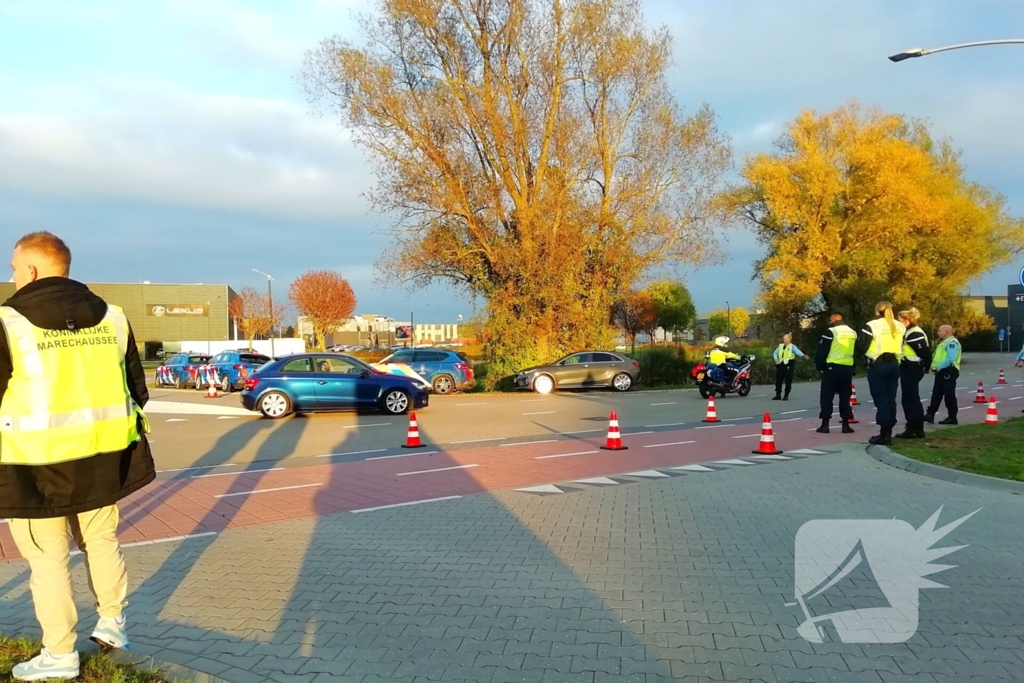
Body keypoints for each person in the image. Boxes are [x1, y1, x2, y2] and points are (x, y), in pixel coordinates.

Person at [0, 232, 154, 681]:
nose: (11, 276)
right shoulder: (114, 318)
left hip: (36, 465)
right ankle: (113, 620)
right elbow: (137, 390)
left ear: (30, 270)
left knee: (47, 559)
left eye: (13, 267)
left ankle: (60, 654)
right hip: (103, 458)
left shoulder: (9, 322)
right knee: (101, 541)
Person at [861, 301, 906, 446]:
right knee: (890, 399)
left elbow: (862, 346)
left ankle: (884, 434)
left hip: (878, 364)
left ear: (876, 311)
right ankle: (888, 432)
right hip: (894, 364)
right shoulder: (900, 325)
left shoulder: (872, 325)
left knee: (881, 400)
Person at [814, 313, 857, 434]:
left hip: (832, 368)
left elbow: (821, 351)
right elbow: (854, 350)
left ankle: (825, 424)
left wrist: (820, 367)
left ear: (834, 319)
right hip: (847, 368)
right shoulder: (852, 332)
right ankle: (846, 425)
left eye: (830, 319)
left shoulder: (831, 332)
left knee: (827, 397)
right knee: (845, 397)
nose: (829, 321)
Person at [895, 308, 931, 439]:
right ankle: (914, 427)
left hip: (912, 367)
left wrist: (926, 367)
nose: (898, 322)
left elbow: (925, 353)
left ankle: (914, 428)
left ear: (907, 320)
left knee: (910, 399)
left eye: (900, 320)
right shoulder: (909, 332)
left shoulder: (914, 334)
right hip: (909, 367)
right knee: (910, 398)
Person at [925, 324, 961, 425]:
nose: (938, 332)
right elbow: (937, 357)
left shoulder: (952, 343)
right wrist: (933, 367)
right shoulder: (943, 343)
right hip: (941, 371)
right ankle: (930, 414)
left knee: (949, 395)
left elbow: (950, 359)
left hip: (949, 371)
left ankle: (952, 417)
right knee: (936, 394)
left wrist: (938, 367)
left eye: (940, 331)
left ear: (946, 332)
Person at [772, 332, 807, 401]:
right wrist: (776, 359)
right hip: (780, 365)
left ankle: (786, 395)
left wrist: (803, 355)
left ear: (789, 340)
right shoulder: (780, 346)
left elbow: (798, 352)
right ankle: (778, 394)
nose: (784, 340)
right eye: (783, 339)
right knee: (778, 380)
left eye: (785, 339)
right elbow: (775, 353)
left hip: (788, 366)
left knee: (788, 380)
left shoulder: (792, 347)